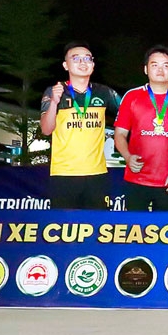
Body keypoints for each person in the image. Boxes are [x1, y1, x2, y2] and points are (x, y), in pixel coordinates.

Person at [40, 41, 121, 209]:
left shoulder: (104, 92)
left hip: (97, 174)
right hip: (64, 174)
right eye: (76, 58)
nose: (83, 62)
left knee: (98, 224)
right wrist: (54, 102)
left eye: (87, 58)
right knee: (64, 224)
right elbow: (46, 130)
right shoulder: (55, 91)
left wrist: (164, 88)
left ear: (93, 65)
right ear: (65, 65)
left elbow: (130, 110)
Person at [113, 46, 168, 211]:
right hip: (136, 179)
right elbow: (120, 134)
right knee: (134, 226)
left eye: (165, 65)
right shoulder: (132, 96)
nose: (160, 70)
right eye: (154, 65)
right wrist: (127, 157)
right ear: (146, 69)